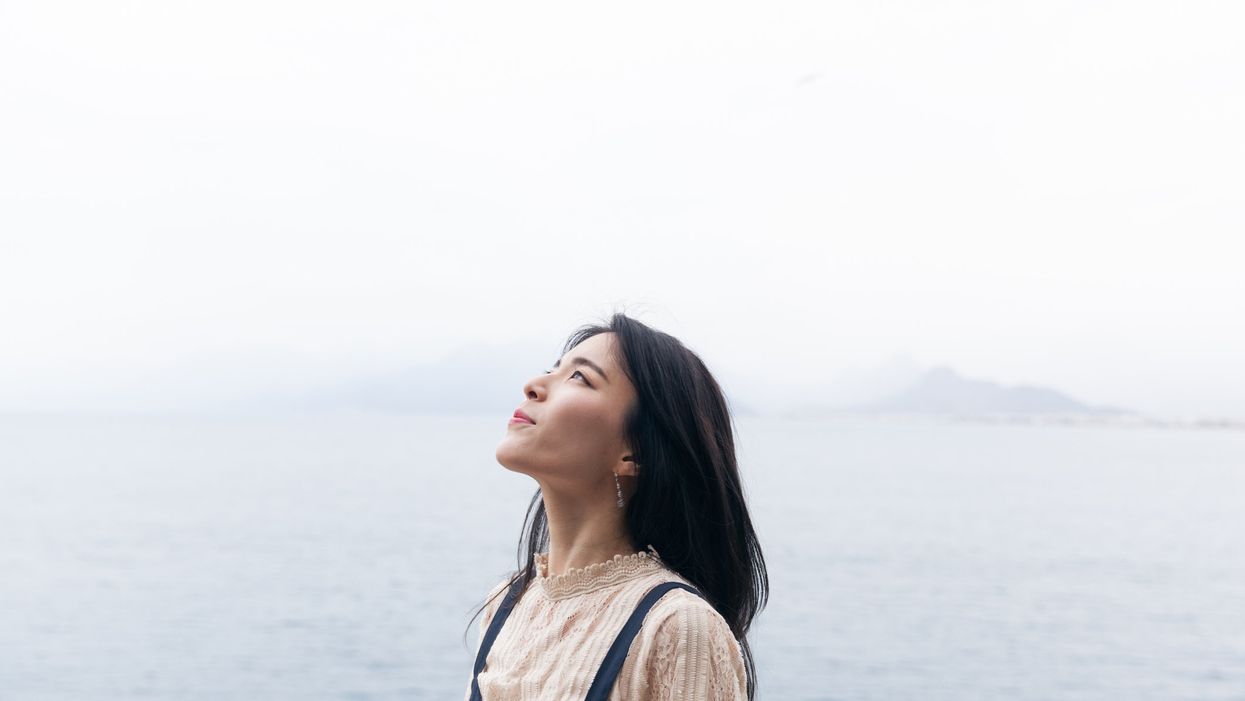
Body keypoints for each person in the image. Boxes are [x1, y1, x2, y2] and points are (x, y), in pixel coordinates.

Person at [463, 312, 768, 700]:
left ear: (634, 453)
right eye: (552, 369)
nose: (533, 386)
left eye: (579, 377)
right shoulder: (507, 604)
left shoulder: (675, 626)